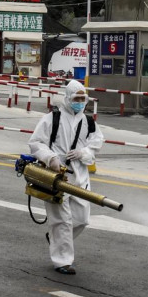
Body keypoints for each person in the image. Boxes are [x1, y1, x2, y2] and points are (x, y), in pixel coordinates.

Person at [28, 80, 103, 274]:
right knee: (62, 221)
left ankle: (56, 238)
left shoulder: (88, 121)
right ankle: (62, 261)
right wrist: (51, 158)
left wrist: (83, 153)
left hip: (80, 176)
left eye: (82, 98)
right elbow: (35, 143)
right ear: (67, 98)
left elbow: (97, 142)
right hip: (56, 177)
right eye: (76, 98)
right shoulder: (52, 118)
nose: (79, 102)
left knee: (82, 219)